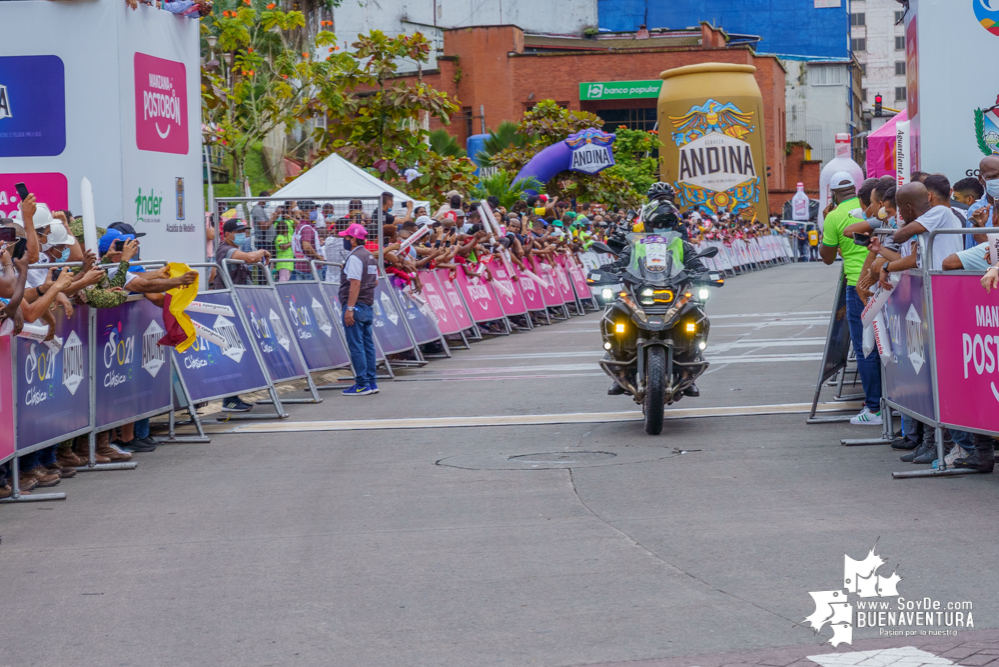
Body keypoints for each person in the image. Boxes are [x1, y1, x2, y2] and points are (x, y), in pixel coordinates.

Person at [819, 171, 883, 426]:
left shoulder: (834, 216)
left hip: (858, 285)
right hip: (884, 279)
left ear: (833, 193)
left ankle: (874, 408)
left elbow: (826, 257)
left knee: (865, 347)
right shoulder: (869, 206)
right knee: (889, 345)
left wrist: (827, 221)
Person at [214, 219, 271, 412]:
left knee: (239, 354)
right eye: (238, 231)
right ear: (227, 234)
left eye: (245, 231)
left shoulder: (230, 250)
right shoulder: (225, 250)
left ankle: (234, 396)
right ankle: (229, 400)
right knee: (233, 354)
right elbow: (250, 258)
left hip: (236, 308)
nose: (243, 234)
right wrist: (262, 252)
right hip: (228, 311)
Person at [338, 223, 379, 396]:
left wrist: (350, 308)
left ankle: (361, 383)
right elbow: (374, 281)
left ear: (353, 239)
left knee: (357, 346)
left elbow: (355, 283)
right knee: (368, 345)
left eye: (347, 237)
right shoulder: (369, 256)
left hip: (356, 305)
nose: (345, 240)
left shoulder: (355, 257)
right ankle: (371, 382)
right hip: (367, 304)